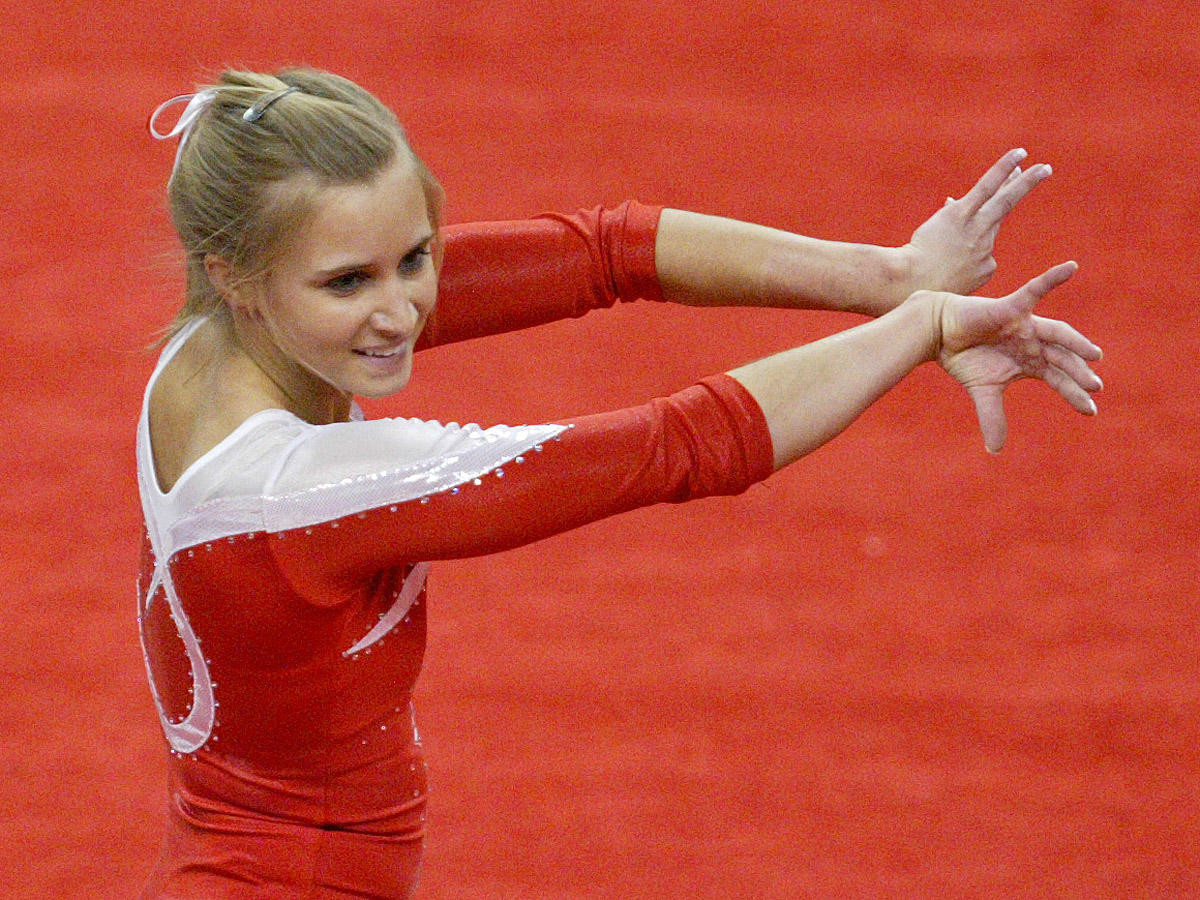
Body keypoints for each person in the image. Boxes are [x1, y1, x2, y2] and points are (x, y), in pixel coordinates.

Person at [138, 67, 1102, 898]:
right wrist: (919, 328)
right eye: (351, 282)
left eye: (418, 257)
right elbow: (679, 446)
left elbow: (605, 252)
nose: (401, 311)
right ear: (238, 274)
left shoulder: (224, 342)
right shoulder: (296, 492)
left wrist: (886, 275)